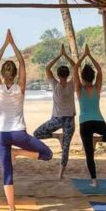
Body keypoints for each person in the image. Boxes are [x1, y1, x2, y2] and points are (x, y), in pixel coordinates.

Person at [0, 29, 53, 211]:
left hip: (1, 135)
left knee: (7, 172)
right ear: (16, 73)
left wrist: (5, 44)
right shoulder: (21, 88)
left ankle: (12, 209)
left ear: (2, 74)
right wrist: (13, 44)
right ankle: (18, 152)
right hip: (18, 133)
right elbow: (22, 63)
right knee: (48, 154)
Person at [74, 45, 106, 186]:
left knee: (89, 154)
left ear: (82, 77)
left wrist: (83, 56)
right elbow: (100, 71)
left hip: (85, 124)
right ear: (92, 77)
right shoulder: (96, 88)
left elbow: (75, 68)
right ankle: (98, 139)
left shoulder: (79, 90)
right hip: (98, 122)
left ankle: (94, 181)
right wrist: (90, 56)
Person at [33, 45, 76, 179]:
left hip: (57, 119)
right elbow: (76, 67)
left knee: (37, 134)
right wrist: (66, 56)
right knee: (66, 148)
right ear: (68, 75)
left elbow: (47, 68)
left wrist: (59, 55)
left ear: (58, 75)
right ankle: (60, 174)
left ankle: (57, 136)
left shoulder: (55, 84)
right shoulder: (72, 84)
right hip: (69, 120)